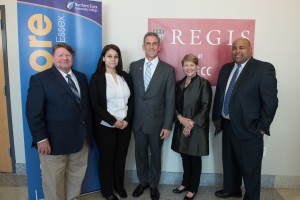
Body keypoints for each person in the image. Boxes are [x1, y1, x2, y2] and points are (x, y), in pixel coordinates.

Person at [212, 38, 278, 200]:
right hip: (227, 125)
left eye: (241, 47)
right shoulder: (226, 68)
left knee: (250, 167)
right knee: (229, 161)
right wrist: (217, 119)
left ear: (250, 49)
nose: (237, 51)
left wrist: (262, 127)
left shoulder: (263, 68)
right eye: (234, 48)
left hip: (250, 128)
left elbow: (271, 102)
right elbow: (220, 94)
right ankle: (232, 189)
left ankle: (252, 196)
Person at [26, 42, 93, 200]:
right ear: (52, 58)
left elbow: (84, 108)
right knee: (53, 183)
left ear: (72, 58)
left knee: (76, 178)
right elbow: (33, 112)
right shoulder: (40, 79)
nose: (65, 58)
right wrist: (40, 138)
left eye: (68, 55)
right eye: (60, 55)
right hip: (53, 142)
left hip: (80, 141)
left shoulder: (81, 77)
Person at [129, 32, 175, 200]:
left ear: (159, 47)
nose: (151, 46)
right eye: (148, 43)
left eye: (154, 43)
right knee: (140, 154)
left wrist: (167, 125)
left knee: (155, 155)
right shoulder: (134, 66)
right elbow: (131, 95)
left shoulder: (168, 70)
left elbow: (170, 100)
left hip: (157, 123)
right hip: (138, 122)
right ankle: (143, 183)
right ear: (143, 46)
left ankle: (153, 184)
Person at [89, 44, 133, 200]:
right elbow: (94, 104)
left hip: (125, 126)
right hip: (106, 126)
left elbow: (132, 101)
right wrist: (114, 121)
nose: (113, 59)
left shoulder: (125, 76)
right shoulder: (97, 78)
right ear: (103, 58)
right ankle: (107, 191)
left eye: (116, 56)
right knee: (107, 158)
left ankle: (119, 186)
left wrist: (127, 120)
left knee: (121, 157)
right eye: (109, 56)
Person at [171, 54, 212, 200]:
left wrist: (190, 124)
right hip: (181, 124)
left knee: (194, 158)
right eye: (186, 65)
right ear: (182, 67)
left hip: (197, 127)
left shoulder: (203, 83)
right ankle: (185, 183)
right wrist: (181, 119)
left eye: (191, 65)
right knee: (184, 155)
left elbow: (206, 107)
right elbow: (173, 105)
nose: (188, 68)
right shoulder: (178, 84)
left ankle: (193, 188)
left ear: (197, 67)